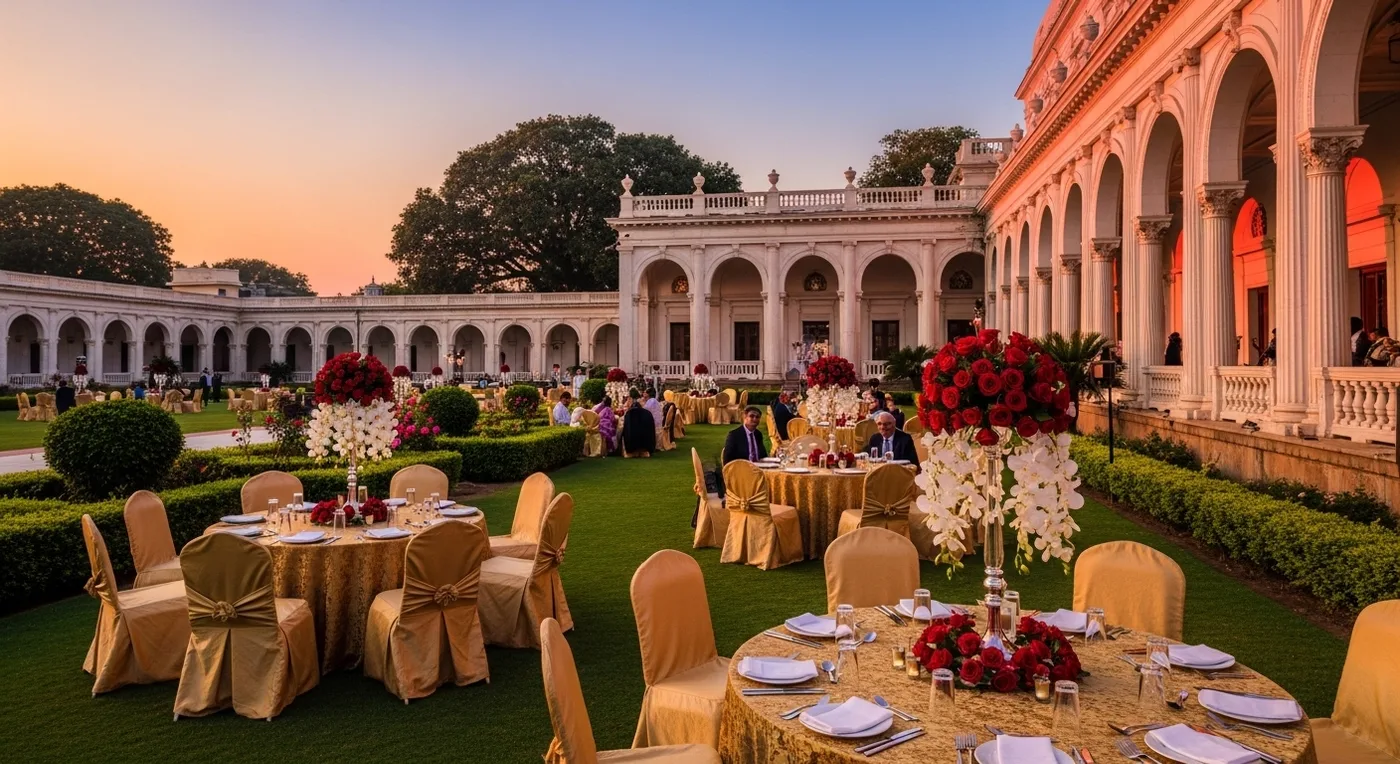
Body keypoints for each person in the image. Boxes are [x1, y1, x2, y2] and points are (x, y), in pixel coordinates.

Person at [620, 390, 656, 456]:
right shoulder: (647, 413)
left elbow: (626, 429)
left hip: (632, 440)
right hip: (645, 441)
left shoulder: (629, 414)